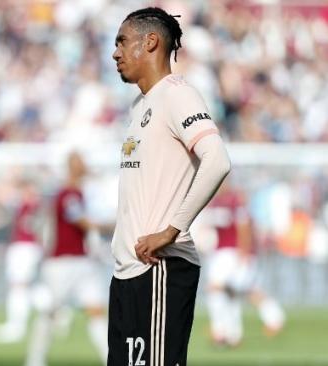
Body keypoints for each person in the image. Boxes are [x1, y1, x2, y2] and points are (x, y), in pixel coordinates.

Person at [109, 7, 231, 366]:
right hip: (128, 271)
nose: (114, 52)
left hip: (159, 267)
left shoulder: (178, 93)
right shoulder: (139, 105)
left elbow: (217, 159)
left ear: (150, 42)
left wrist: (171, 230)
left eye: (121, 42)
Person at [26, 151, 109, 366]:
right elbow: (81, 221)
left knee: (96, 310)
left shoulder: (76, 193)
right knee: (51, 312)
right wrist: (116, 224)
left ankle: (110, 357)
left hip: (81, 261)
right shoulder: (67, 194)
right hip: (62, 262)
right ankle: (35, 360)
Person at [205, 180, 285, 347]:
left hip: (233, 252)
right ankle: (231, 333)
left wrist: (244, 252)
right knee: (233, 291)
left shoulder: (236, 201)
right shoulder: (214, 203)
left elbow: (245, 227)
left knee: (223, 288)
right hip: (220, 253)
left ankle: (223, 330)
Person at [0, 177, 44, 343]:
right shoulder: (32, 207)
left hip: (25, 248)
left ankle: (17, 327)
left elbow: (1, 195)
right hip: (28, 248)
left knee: (18, 286)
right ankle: (55, 312)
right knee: (28, 286)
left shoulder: (30, 206)